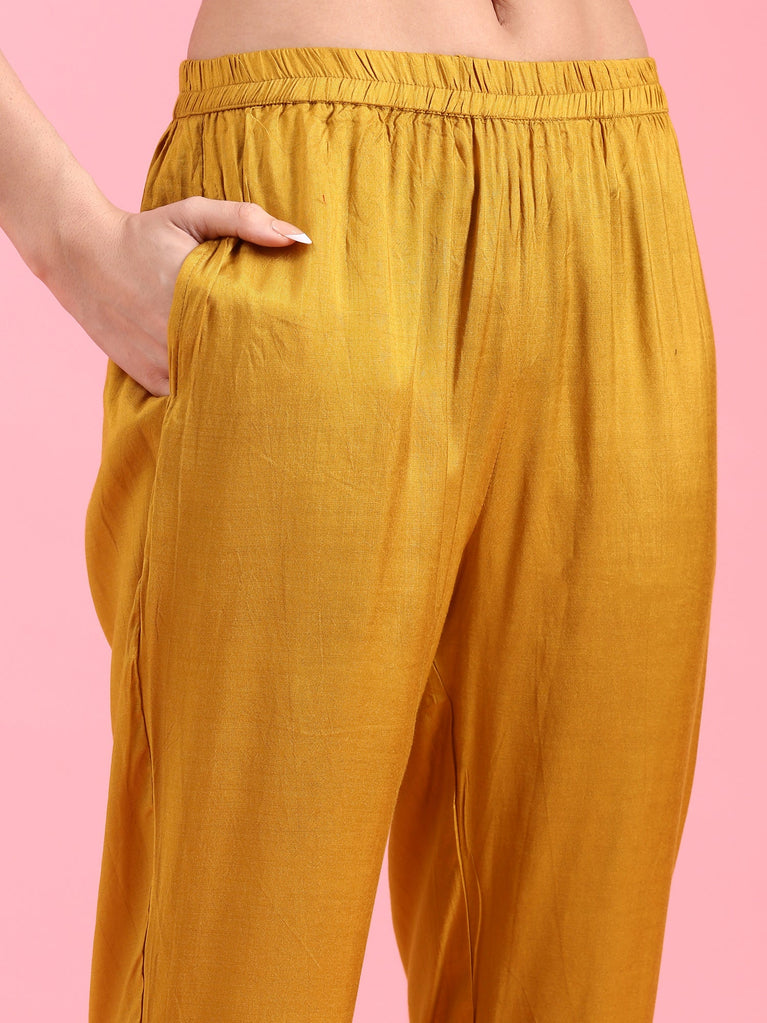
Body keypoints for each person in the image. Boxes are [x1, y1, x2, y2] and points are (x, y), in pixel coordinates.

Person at [0, 2, 718, 1021]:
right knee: (239, 974)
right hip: (319, 200)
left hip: (615, 198)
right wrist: (71, 243)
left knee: (580, 984)